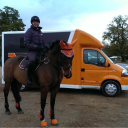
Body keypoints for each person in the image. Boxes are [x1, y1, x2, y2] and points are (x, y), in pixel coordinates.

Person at [24, 16, 49, 84]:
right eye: (34, 22)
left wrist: (48, 47)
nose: (35, 23)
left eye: (37, 22)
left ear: (38, 23)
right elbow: (26, 43)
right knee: (32, 61)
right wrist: (36, 47)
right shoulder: (29, 31)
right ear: (32, 22)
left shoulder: (40, 31)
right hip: (32, 51)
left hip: (40, 51)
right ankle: (28, 77)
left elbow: (43, 42)